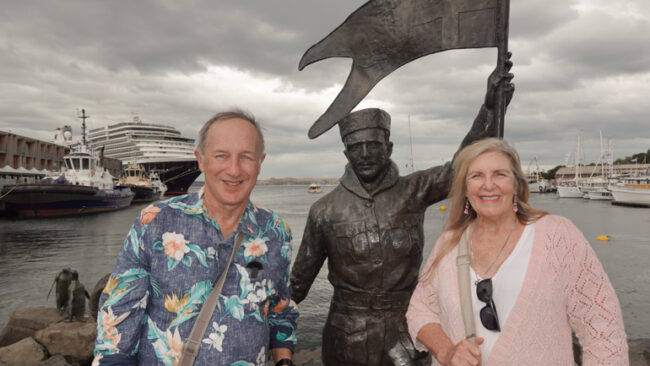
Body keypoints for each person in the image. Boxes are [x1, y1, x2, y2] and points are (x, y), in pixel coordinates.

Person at [290, 59, 514, 366]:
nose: (365, 154)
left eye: (374, 144)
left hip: (407, 328)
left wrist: (489, 109)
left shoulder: (414, 190)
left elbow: (461, 165)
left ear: (389, 146)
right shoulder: (324, 211)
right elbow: (299, 281)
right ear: (346, 152)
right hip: (347, 334)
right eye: (356, 147)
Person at [93, 110, 298, 366]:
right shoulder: (155, 221)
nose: (234, 170)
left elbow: (281, 309)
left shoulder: (276, 231)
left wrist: (284, 360)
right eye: (221, 155)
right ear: (200, 160)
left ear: (260, 163)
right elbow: (117, 321)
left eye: (246, 157)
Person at [406, 138, 628, 365]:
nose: (488, 184)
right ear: (465, 189)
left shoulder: (558, 236)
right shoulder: (449, 244)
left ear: (516, 185)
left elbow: (603, 328)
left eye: (500, 174)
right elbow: (420, 309)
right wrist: (446, 352)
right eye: (476, 176)